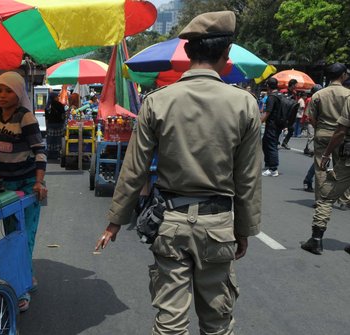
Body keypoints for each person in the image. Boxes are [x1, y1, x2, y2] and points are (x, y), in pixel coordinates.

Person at [95, 11, 261, 334]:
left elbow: (134, 170)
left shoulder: (157, 102)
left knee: (170, 323)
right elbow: (248, 178)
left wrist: (115, 222)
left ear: (186, 53)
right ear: (227, 56)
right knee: (217, 322)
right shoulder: (245, 105)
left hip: (170, 223)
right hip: (219, 226)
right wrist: (244, 229)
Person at [0, 71, 47, 312]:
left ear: (19, 93)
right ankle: (25, 273)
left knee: (23, 236)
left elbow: (39, 151)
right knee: (10, 234)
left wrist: (39, 182)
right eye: (0, 90)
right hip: (1, 187)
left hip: (26, 187)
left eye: (9, 90)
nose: (3, 95)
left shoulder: (25, 117)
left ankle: (21, 288)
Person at [301, 63, 350, 254]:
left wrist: (327, 150)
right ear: (343, 75)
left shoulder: (318, 95)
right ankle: (345, 197)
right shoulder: (347, 94)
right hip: (343, 140)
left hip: (327, 135)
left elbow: (311, 118)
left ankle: (316, 238)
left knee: (325, 179)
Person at [261, 77, 281, 176]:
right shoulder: (279, 95)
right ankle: (268, 164)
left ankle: (273, 169)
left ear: (268, 86)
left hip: (272, 124)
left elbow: (267, 112)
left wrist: (259, 122)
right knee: (265, 143)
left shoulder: (272, 97)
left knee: (271, 146)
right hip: (278, 124)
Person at [44, 92, 65, 160]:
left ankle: (50, 154)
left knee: (50, 139)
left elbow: (46, 118)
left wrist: (47, 127)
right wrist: (63, 122)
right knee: (58, 139)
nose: (58, 97)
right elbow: (63, 115)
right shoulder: (60, 105)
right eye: (57, 96)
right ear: (54, 97)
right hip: (59, 124)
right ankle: (57, 154)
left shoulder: (47, 106)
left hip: (50, 124)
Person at [280, 79, 299, 149]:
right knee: (279, 128)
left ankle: (285, 142)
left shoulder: (294, 93)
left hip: (290, 115)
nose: (297, 86)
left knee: (291, 129)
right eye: (296, 84)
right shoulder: (283, 91)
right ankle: (275, 142)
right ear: (293, 84)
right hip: (283, 113)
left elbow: (295, 104)